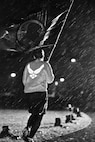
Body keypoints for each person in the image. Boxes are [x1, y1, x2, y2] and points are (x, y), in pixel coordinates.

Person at [22, 48, 54, 142]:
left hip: (29, 93)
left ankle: (27, 127)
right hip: (40, 92)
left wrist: (30, 86)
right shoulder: (45, 65)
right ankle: (30, 136)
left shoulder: (28, 65)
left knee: (34, 113)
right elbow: (50, 80)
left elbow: (24, 80)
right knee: (39, 115)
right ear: (43, 56)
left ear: (34, 56)